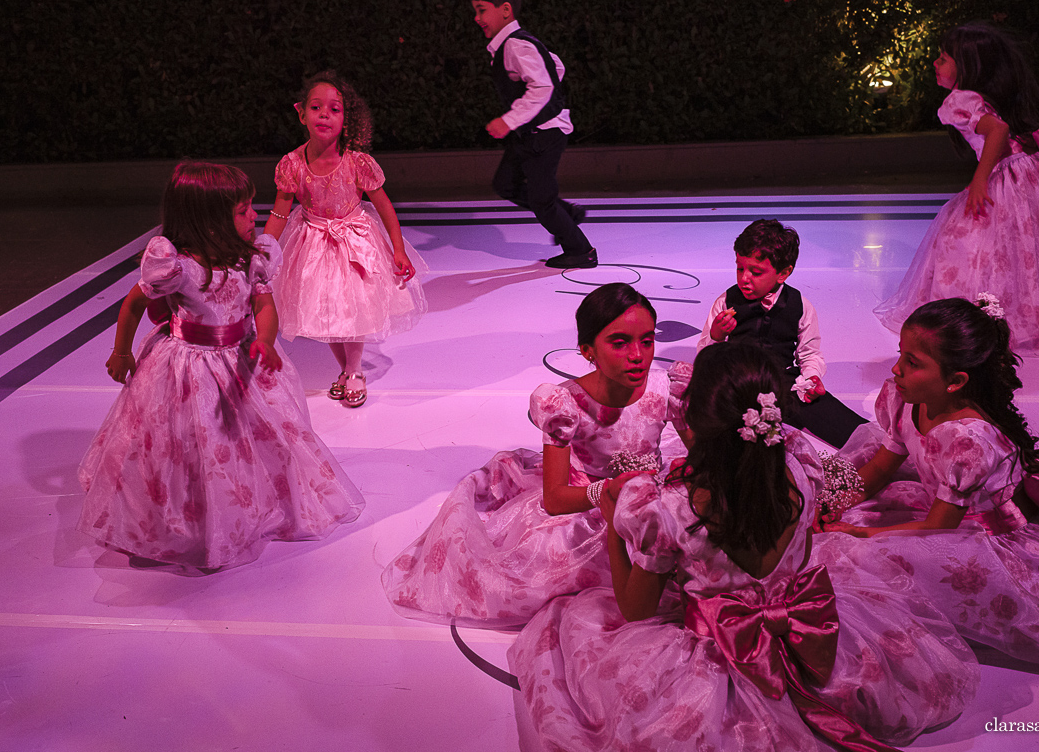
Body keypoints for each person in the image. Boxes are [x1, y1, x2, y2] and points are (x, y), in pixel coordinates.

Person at [508, 343, 978, 751]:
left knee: (564, 632)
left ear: (691, 419)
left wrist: (614, 524)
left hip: (713, 650)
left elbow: (635, 610)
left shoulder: (670, 511)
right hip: (809, 630)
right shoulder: (801, 472)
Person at [825, 297, 1039, 672]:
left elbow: (937, 530)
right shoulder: (905, 399)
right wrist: (837, 499)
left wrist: (857, 534)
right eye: (901, 354)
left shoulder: (967, 442)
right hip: (941, 508)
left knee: (863, 559)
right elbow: (882, 467)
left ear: (956, 381)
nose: (896, 369)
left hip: (975, 533)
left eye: (913, 363)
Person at [78, 161, 365, 572]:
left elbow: (264, 304)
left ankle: (254, 505)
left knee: (260, 438)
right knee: (192, 443)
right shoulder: (178, 268)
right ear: (208, 220)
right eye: (243, 210)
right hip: (187, 369)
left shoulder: (251, 258)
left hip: (242, 360)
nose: (255, 216)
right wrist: (122, 351)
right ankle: (192, 522)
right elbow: (135, 302)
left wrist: (264, 340)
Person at [382, 283, 689, 627]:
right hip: (590, 509)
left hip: (654, 502)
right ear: (588, 351)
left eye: (647, 341)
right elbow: (555, 499)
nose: (637, 355)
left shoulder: (667, 390)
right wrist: (606, 493)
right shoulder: (565, 403)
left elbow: (703, 459)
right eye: (619, 343)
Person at [875, 22, 1039, 355]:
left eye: (942, 58)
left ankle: (981, 324)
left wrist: (980, 179)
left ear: (968, 66)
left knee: (975, 245)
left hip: (1009, 176)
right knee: (1038, 251)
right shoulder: (993, 94)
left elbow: (997, 130)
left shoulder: (958, 100)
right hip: (1038, 175)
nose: (935, 64)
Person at [265, 70, 427, 408]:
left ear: (346, 118)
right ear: (301, 113)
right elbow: (280, 212)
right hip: (311, 242)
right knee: (325, 311)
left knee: (352, 307)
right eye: (316, 107)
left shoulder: (357, 162)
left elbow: (384, 207)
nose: (324, 114)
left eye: (334, 109)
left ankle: (354, 370)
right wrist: (264, 251)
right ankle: (346, 369)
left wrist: (398, 249)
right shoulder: (293, 164)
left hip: (355, 240)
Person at [699, 219, 866, 448]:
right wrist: (717, 335)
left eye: (756, 272)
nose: (744, 278)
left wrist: (811, 379)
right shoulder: (726, 301)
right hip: (739, 385)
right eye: (740, 268)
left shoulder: (800, 306)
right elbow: (704, 357)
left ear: (783, 273)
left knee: (842, 424)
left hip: (782, 384)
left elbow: (810, 354)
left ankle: (883, 452)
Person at [470, 0, 595, 270]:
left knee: (542, 201)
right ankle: (565, 212)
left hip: (545, 134)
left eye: (481, 10)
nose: (477, 18)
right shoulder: (516, 44)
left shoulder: (515, 45)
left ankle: (582, 251)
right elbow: (556, 68)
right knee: (505, 184)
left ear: (505, 10)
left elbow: (544, 84)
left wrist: (509, 119)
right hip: (531, 133)